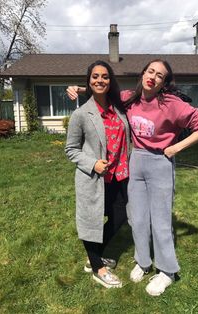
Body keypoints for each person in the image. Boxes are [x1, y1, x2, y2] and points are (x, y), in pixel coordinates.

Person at [66, 58, 198, 296]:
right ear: (143, 73)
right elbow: (105, 90)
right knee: (138, 218)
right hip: (136, 162)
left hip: (160, 163)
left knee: (161, 221)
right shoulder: (129, 98)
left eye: (160, 75)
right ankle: (143, 262)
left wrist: (176, 148)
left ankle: (167, 271)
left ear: (164, 82)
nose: (153, 77)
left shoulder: (172, 104)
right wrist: (79, 88)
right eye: (150, 71)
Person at [65, 60, 131, 289]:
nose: (99, 80)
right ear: (89, 80)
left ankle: (94, 255)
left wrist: (83, 88)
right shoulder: (82, 114)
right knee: (91, 221)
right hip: (94, 178)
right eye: (95, 76)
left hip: (119, 176)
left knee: (120, 216)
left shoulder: (119, 107)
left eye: (104, 76)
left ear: (110, 80)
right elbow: (71, 149)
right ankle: (97, 268)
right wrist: (93, 164)